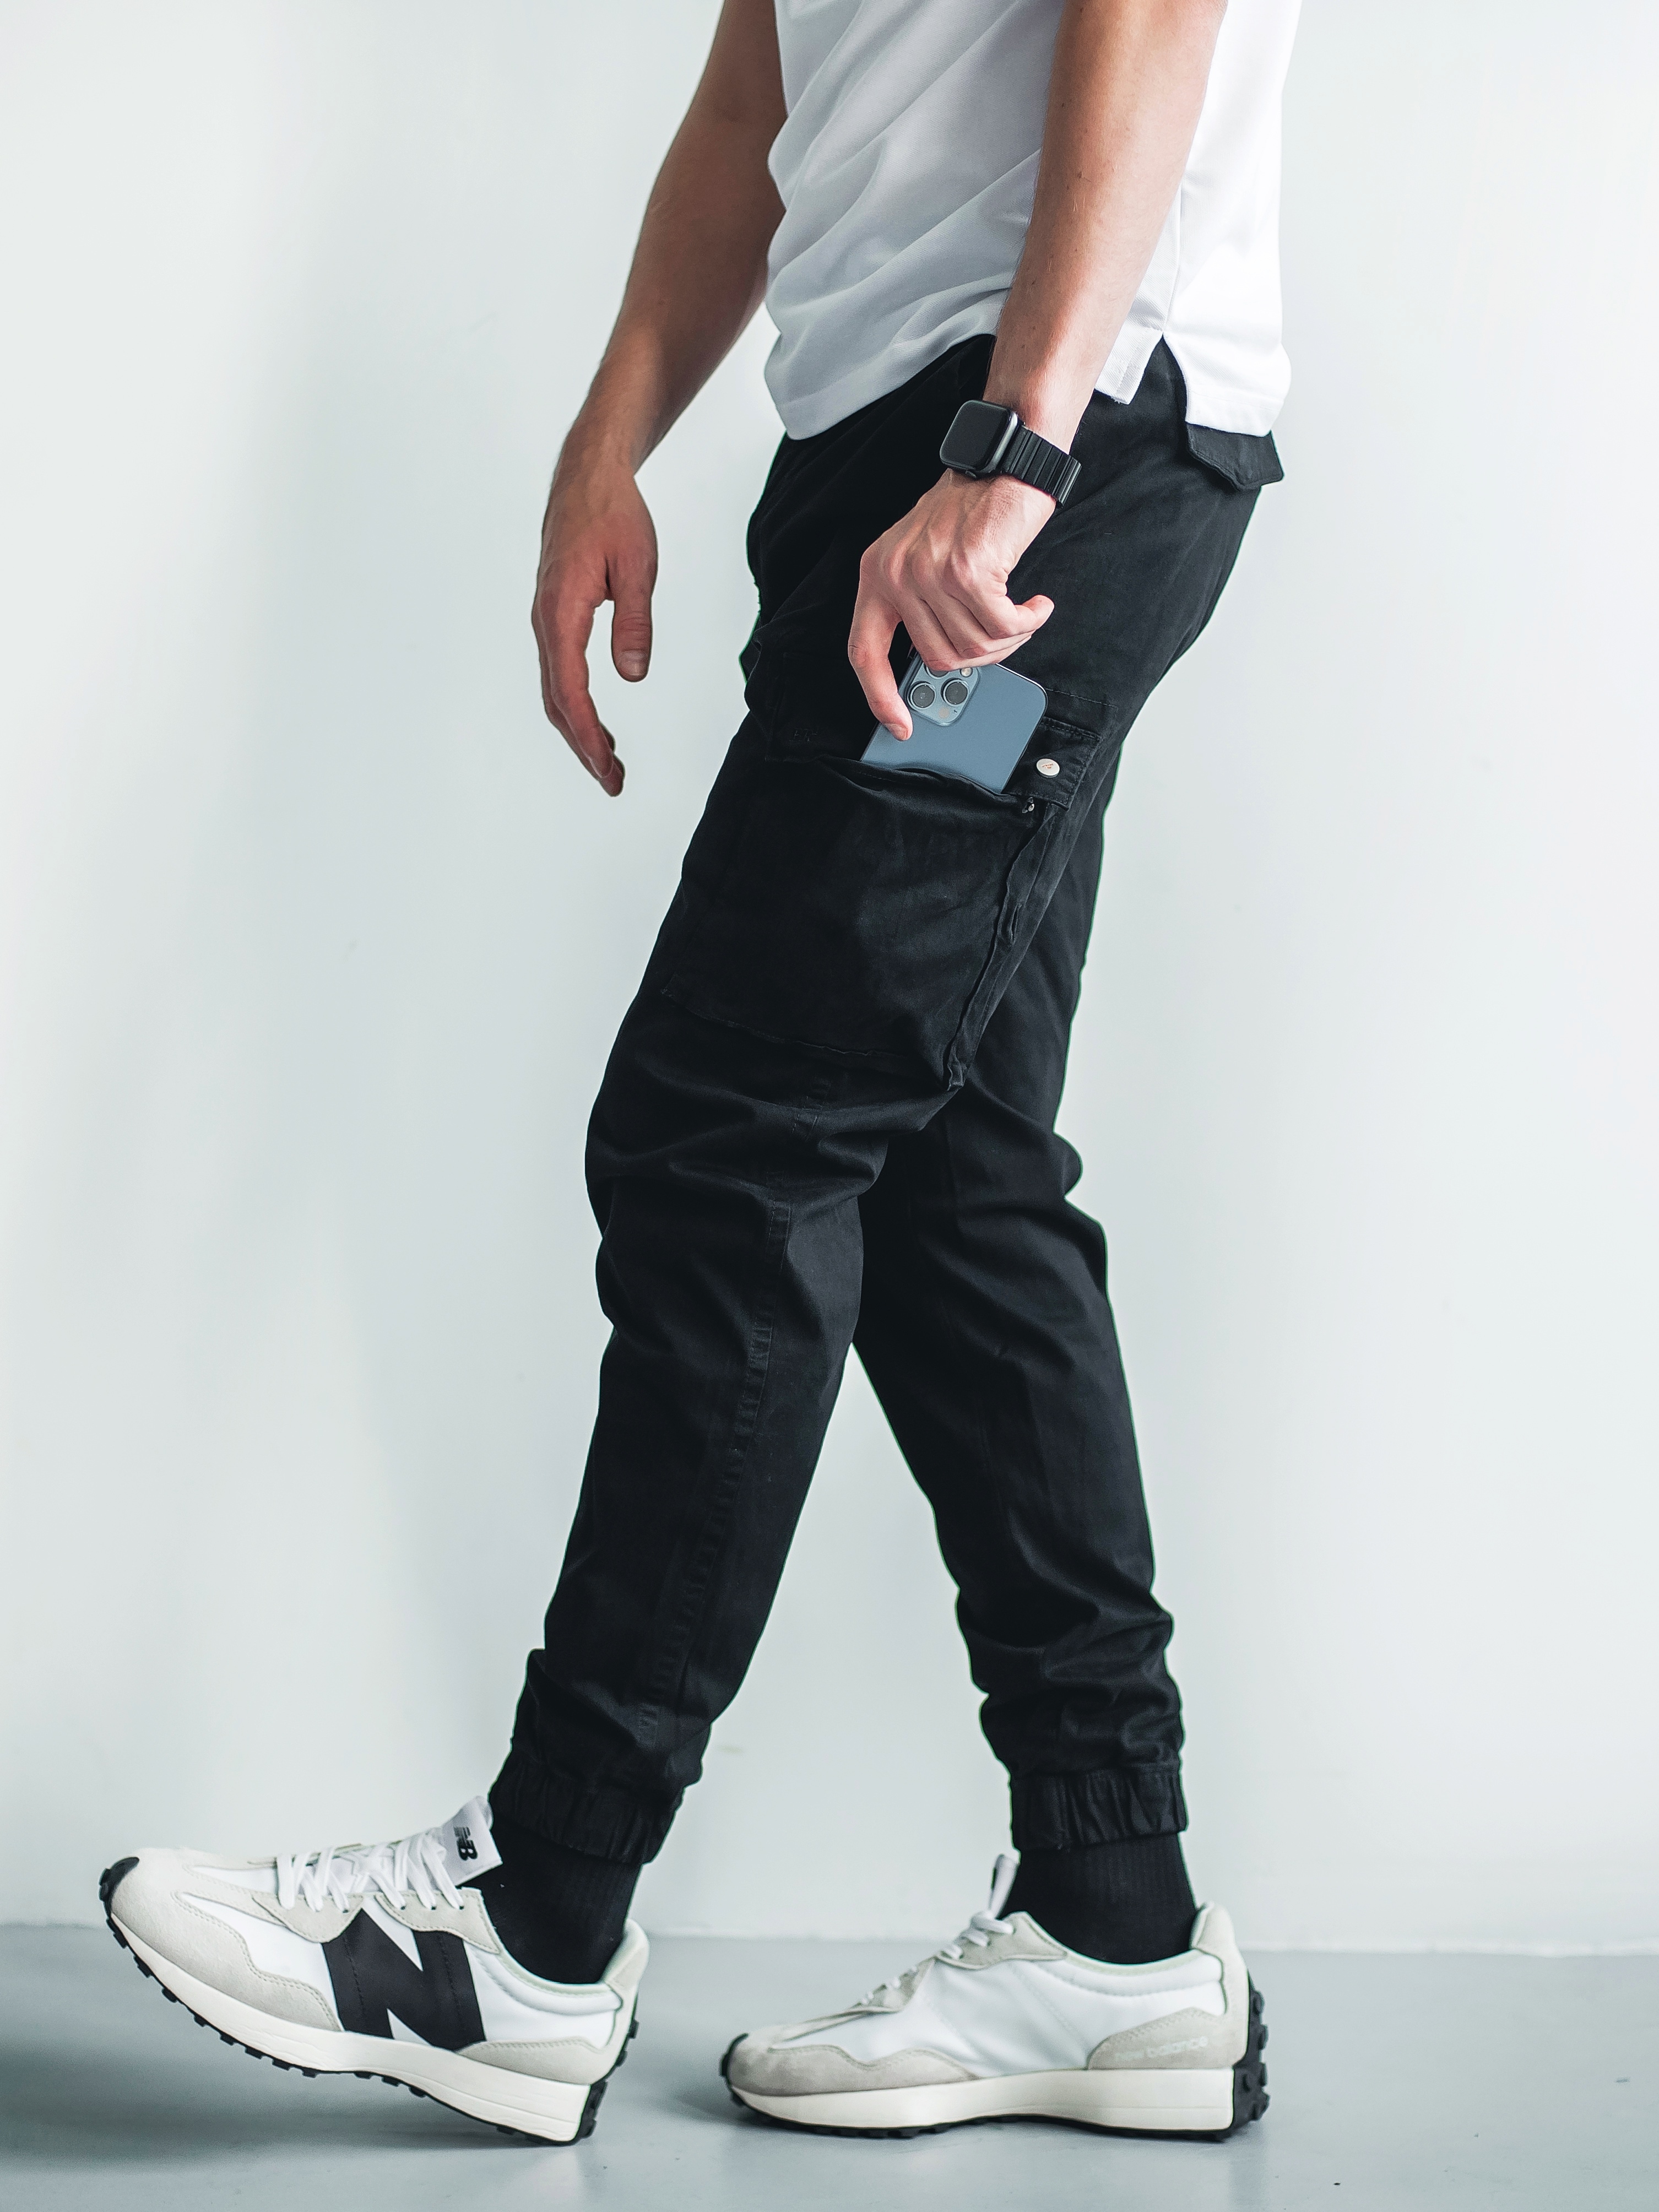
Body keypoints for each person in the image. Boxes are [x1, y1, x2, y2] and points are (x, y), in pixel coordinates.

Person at [102, 0, 1298, 2148]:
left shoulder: (1020, 444)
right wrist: (611, 436)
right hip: (914, 439)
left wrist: (1018, 447)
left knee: (728, 1142)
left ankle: (533, 1921)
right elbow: (767, 79)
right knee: (946, 1173)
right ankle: (1113, 1915)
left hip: (1034, 448)